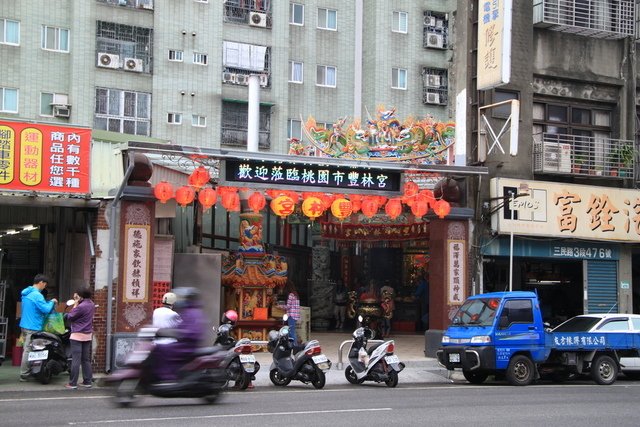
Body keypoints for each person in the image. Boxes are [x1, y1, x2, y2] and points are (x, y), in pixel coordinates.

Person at [154, 287, 208, 382]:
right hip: (172, 340)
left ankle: (167, 377)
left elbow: (187, 330)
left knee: (163, 352)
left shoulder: (156, 311)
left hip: (179, 343)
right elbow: (180, 325)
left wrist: (178, 333)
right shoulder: (178, 313)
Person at [19, 274, 57, 381]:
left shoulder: (26, 293)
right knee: (29, 350)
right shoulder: (37, 295)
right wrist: (52, 302)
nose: (45, 287)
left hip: (24, 325)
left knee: (26, 349)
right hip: (33, 326)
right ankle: (24, 374)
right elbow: (45, 309)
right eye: (45, 284)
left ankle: (29, 370)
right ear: (41, 282)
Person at [64, 287, 96, 389]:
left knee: (76, 360)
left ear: (80, 295)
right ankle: (87, 381)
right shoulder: (91, 304)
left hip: (77, 335)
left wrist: (76, 303)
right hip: (87, 335)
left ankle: (73, 383)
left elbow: (70, 316)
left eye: (77, 295)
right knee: (85, 360)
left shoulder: (80, 306)